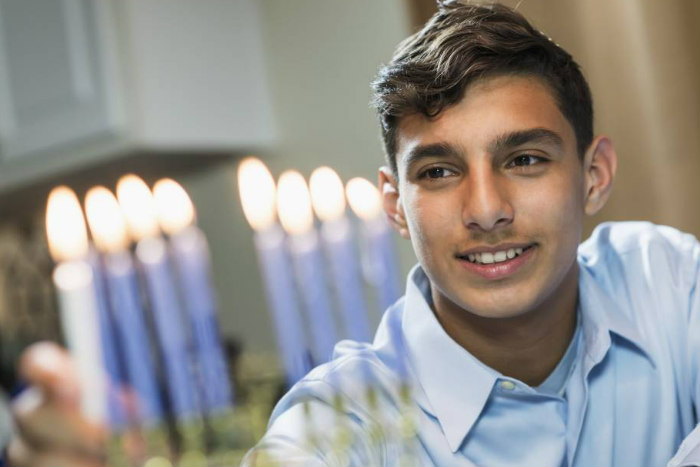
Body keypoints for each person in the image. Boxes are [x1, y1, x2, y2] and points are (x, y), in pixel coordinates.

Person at [6, 1, 699, 466]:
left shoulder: (664, 280)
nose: (485, 208)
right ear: (394, 204)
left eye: (524, 159)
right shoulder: (338, 424)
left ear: (594, 175)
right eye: (438, 170)